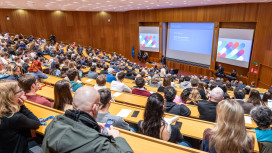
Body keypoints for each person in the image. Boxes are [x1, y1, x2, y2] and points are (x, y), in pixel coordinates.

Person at [41, 86, 133, 152]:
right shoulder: (99, 144)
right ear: (94, 107)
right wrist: (117, 138)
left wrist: (93, 126)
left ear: (73, 103)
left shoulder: (55, 120)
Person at [0, 80, 40, 153]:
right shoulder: (15, 117)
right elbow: (36, 123)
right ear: (10, 96)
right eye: (19, 91)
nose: (23, 92)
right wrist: (22, 106)